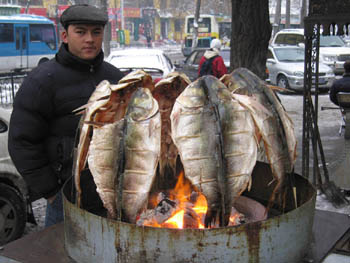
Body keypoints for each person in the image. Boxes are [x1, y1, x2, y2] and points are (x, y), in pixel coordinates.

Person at [8, 4, 124, 227]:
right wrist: (51, 192)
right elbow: (22, 141)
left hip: (112, 196)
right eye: (80, 32)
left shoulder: (115, 78)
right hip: (67, 201)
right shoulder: (42, 81)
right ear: (65, 35)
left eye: (96, 32)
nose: (89, 39)